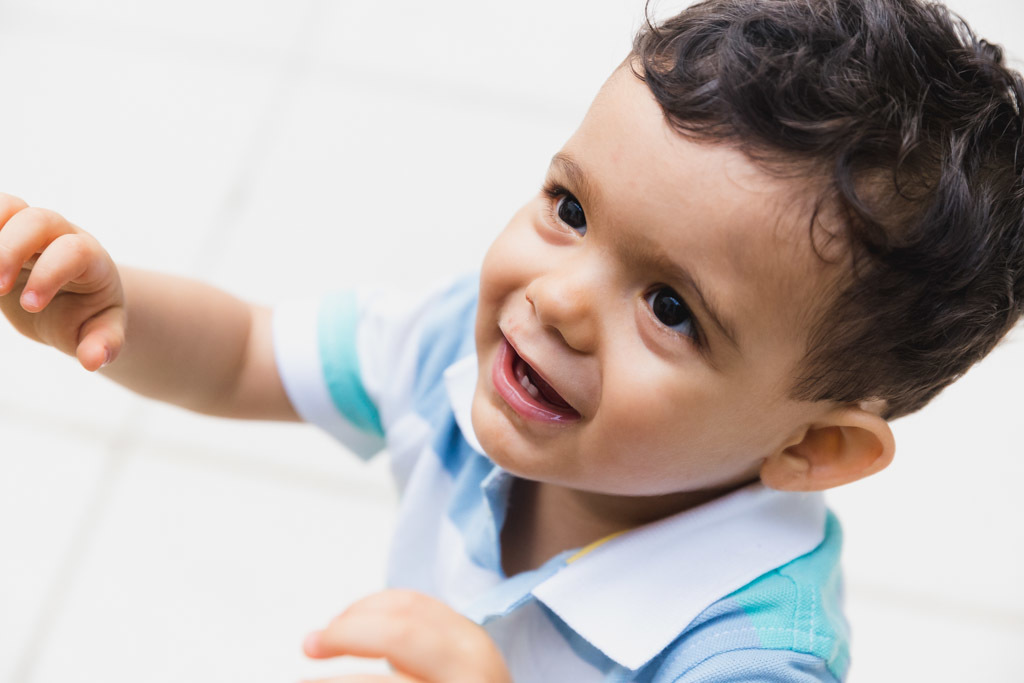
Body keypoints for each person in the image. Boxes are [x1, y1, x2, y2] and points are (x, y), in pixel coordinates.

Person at [2, 0, 1022, 680]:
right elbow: (243, 354)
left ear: (813, 447)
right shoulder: (462, 346)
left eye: (669, 307)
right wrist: (111, 307)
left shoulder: (748, 653)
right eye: (570, 208)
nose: (558, 299)